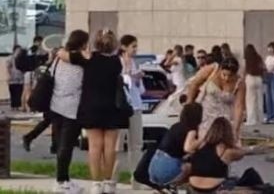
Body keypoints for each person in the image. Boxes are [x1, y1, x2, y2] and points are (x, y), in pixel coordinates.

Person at [78, 30, 132, 194]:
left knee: (94, 146)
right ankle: (109, 182)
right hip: (112, 107)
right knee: (110, 147)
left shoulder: (89, 58)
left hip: (91, 106)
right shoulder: (117, 62)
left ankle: (96, 183)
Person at [52, 30, 89, 192]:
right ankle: (62, 181)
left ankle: (63, 179)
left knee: (61, 144)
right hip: (72, 108)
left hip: (55, 104)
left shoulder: (59, 58)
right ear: (82, 43)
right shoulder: (80, 60)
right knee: (66, 146)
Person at [184, 56, 245, 140]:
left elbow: (239, 106)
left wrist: (236, 128)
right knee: (204, 138)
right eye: (224, 74)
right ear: (220, 69)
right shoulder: (212, 70)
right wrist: (188, 106)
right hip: (206, 111)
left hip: (225, 115)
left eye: (230, 76)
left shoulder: (239, 82)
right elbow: (194, 85)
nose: (227, 78)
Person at [184, 117, 247, 193]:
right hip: (214, 188)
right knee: (248, 176)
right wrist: (236, 139)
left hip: (194, 186)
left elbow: (188, 149)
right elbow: (242, 153)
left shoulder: (201, 145)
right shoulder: (226, 151)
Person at [147, 102, 202, 186]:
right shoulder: (191, 130)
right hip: (167, 170)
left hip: (153, 167)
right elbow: (188, 148)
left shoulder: (175, 126)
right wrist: (202, 139)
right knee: (194, 167)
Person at [114, 35, 145, 187]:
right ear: (124, 47)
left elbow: (140, 89)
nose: (135, 49)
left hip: (136, 106)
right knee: (118, 145)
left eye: (136, 46)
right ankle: (112, 179)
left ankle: (136, 179)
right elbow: (119, 83)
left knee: (137, 144)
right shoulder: (116, 62)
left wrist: (138, 78)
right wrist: (129, 75)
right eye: (133, 46)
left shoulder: (134, 62)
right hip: (120, 108)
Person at [242, 45, 265, 126]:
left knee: (250, 101)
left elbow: (244, 70)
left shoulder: (247, 59)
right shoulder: (258, 58)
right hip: (259, 79)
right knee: (259, 100)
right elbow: (263, 68)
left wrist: (243, 79)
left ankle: (251, 120)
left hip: (250, 78)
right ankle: (260, 119)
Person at [7, 45, 24, 110]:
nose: (19, 52)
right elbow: (8, 67)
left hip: (20, 77)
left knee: (19, 92)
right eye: (18, 50)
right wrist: (9, 75)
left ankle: (18, 106)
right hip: (13, 77)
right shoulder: (10, 58)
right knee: (13, 92)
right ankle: (13, 106)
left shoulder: (22, 58)